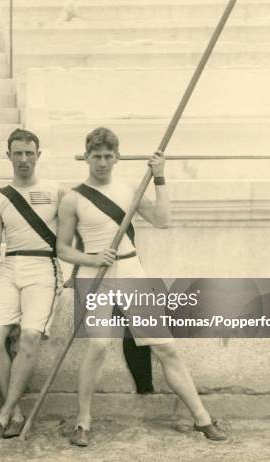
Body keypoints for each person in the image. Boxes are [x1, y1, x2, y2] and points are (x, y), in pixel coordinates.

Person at [56, 127, 227, 446]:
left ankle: (202, 419)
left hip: (130, 268)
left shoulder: (129, 191)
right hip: (93, 277)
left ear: (117, 157)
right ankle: (83, 422)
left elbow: (163, 220)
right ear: (86, 157)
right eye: (96, 157)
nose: (102, 163)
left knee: (165, 347)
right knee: (97, 346)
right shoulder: (73, 198)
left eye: (108, 156)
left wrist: (160, 177)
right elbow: (62, 249)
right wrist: (93, 260)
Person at [0, 129, 64, 440]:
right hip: (11, 265)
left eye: (29, 153)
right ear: (8, 156)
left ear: (38, 155)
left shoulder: (57, 191)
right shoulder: (0, 197)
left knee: (31, 336)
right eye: (17, 153)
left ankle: (4, 414)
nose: (23, 159)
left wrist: (71, 273)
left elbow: (75, 233)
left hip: (43, 266)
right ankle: (16, 413)